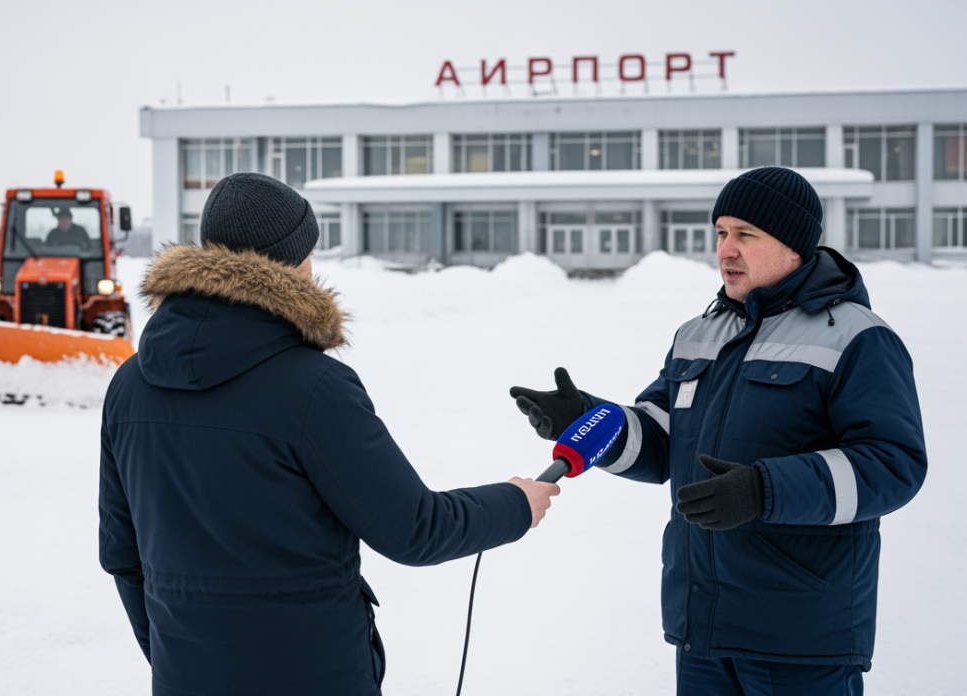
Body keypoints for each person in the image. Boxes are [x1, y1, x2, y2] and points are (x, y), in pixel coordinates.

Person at [99, 172, 559, 696]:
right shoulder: (314, 386)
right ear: (292, 261)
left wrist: (174, 659)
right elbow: (415, 528)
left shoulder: (129, 383)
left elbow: (122, 555)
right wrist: (516, 504)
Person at [511, 167, 926, 695]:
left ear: (794, 245)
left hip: (800, 630)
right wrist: (587, 419)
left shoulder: (857, 337)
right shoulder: (699, 334)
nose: (726, 250)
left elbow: (892, 464)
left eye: (745, 235)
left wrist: (763, 490)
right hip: (702, 625)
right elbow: (660, 437)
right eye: (722, 233)